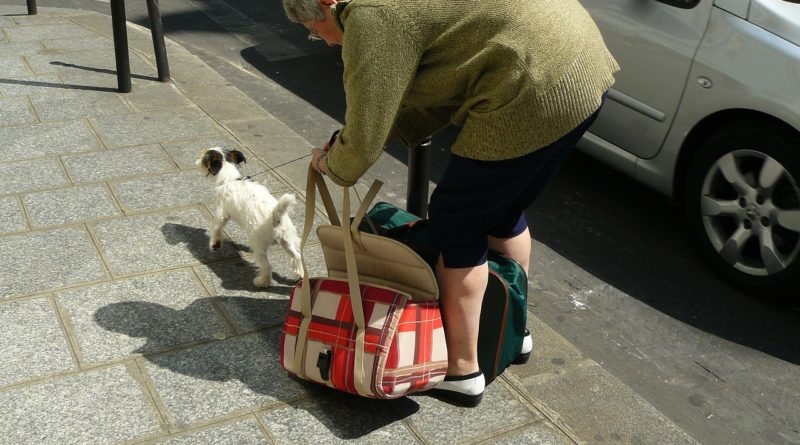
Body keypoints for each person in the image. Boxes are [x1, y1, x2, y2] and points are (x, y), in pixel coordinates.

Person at [283, 0, 619, 407]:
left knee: (457, 223)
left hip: (530, 85)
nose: (322, 42)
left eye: (315, 31)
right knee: (503, 209)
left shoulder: (368, 15)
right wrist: (380, 136)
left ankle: (462, 370)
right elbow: (445, 79)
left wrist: (334, 164)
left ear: (325, 4)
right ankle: (511, 329)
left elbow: (367, 124)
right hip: (580, 64)